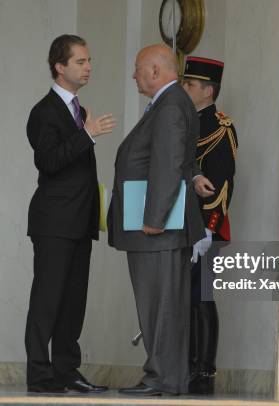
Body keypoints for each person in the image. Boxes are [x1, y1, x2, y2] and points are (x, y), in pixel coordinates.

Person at [107, 44, 206, 396]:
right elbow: (178, 160)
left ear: (154, 70)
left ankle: (161, 379)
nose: (133, 75)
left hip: (156, 230)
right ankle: (166, 378)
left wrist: (154, 218)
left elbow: (166, 163)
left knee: (159, 306)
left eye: (137, 68)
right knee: (163, 305)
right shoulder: (172, 103)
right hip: (159, 229)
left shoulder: (169, 106)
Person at [25, 34, 116, 394]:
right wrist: (87, 134)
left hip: (80, 220)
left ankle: (67, 371)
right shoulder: (44, 111)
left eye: (89, 60)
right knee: (47, 300)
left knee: (74, 301)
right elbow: (49, 161)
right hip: (54, 221)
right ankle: (39, 374)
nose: (88, 66)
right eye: (80, 61)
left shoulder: (77, 109)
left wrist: (85, 130)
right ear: (59, 67)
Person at [182, 56, 239, 394]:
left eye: (190, 84)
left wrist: (208, 228)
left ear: (207, 90)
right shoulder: (188, 122)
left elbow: (224, 181)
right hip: (185, 226)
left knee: (201, 296)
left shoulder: (220, 126)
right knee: (187, 298)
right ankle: (189, 363)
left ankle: (205, 368)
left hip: (206, 228)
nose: (185, 88)